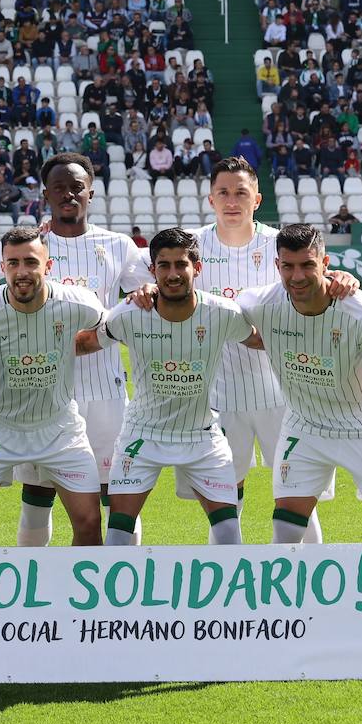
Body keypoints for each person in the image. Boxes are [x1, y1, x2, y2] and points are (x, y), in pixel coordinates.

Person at [0, 152, 152, 546]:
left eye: (77, 187)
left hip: (103, 391)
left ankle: (119, 580)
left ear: (90, 193)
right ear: (45, 194)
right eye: (59, 188)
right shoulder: (28, 244)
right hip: (36, 396)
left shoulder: (118, 245)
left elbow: (142, 299)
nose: (69, 194)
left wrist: (148, 291)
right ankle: (34, 583)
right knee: (37, 498)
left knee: (116, 497)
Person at [195, 157, 359, 544]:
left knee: (298, 499)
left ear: (257, 199)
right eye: (223, 192)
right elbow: (153, 271)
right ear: (211, 199)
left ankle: (310, 576)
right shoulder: (192, 245)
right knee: (224, 499)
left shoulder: (280, 244)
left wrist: (342, 277)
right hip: (219, 394)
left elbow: (317, 277)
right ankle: (228, 576)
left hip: (285, 394)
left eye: (241, 193)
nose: (231, 201)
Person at [78, 228, 257, 545]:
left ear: (196, 268)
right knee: (117, 534)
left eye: (181, 265)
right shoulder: (130, 314)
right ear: (153, 270)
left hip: (201, 435)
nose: (173, 274)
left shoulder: (223, 313)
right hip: (142, 434)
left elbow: (266, 339)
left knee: (230, 536)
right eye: (164, 265)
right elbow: (86, 342)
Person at [238, 224, 362, 544]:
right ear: (277, 265)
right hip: (303, 426)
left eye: (308, 265)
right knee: (286, 533)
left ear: (325, 263)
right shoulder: (259, 303)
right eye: (288, 266)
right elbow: (210, 313)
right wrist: (151, 292)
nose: (297, 276)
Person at [0, 227, 107, 547]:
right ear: (3, 267)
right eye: (13, 263)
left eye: (31, 262)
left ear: (48, 266)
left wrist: (141, 298)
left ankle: (72, 582)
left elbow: (113, 327)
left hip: (60, 428)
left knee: (89, 522)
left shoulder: (79, 303)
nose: (22, 271)